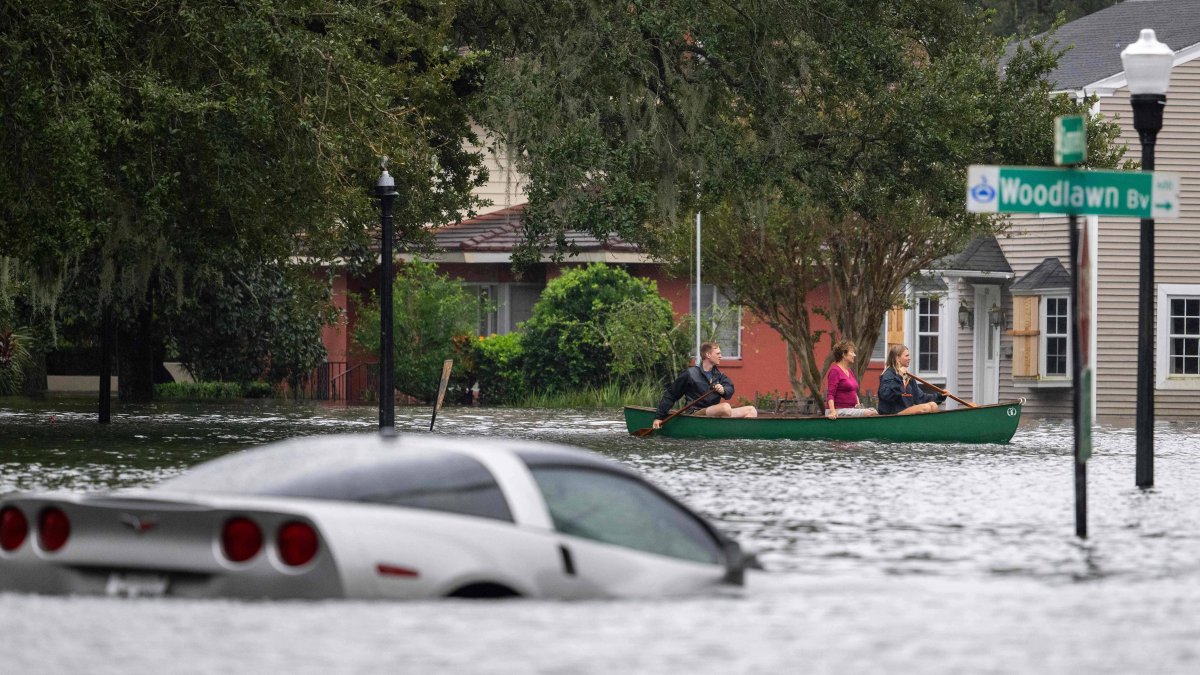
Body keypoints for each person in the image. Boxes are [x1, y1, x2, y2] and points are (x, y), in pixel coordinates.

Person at [652, 342, 758, 429]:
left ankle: (739, 433)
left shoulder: (719, 376)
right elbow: (671, 394)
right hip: (695, 413)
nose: (721, 356)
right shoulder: (690, 374)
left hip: (716, 412)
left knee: (751, 410)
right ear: (708, 355)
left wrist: (723, 390)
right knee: (725, 408)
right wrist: (659, 417)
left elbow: (730, 389)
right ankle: (727, 429)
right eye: (718, 353)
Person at [877, 344, 945, 415]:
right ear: (897, 358)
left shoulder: (908, 377)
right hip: (891, 415)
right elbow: (886, 395)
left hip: (905, 413)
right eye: (906, 356)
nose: (909, 358)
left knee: (933, 405)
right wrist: (899, 377)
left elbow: (920, 398)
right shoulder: (888, 375)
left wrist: (940, 396)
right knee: (926, 408)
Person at [825, 339, 878, 419]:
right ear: (843, 354)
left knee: (873, 410)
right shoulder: (835, 371)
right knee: (869, 413)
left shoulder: (849, 371)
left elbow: (853, 391)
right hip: (838, 410)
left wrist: (858, 405)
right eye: (852, 352)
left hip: (851, 409)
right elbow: (830, 394)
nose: (854, 355)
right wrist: (832, 411)